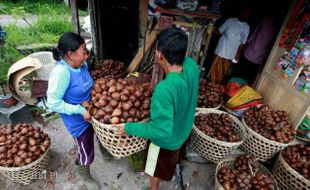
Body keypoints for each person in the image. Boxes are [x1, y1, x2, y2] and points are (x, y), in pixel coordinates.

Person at [114, 27, 199, 190]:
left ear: (159, 54)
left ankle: (154, 189)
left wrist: (128, 127)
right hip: (182, 131)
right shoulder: (192, 66)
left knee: (155, 168)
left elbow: (160, 131)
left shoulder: (165, 89)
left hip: (165, 142)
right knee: (169, 161)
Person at [47, 32, 99, 189]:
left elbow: (88, 85)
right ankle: (84, 175)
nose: (86, 54)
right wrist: (79, 109)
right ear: (70, 54)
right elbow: (53, 103)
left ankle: (107, 154)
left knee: (99, 137)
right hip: (78, 122)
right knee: (86, 147)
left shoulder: (81, 65)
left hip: (91, 113)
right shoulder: (61, 72)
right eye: (83, 50)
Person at [208, 7, 251, 83]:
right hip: (221, 51)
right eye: (243, 12)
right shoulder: (231, 21)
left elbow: (243, 43)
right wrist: (212, 25)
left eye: (247, 14)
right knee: (213, 72)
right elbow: (219, 32)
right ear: (240, 12)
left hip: (231, 54)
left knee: (221, 74)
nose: (244, 15)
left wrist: (237, 55)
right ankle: (208, 87)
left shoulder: (246, 27)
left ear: (249, 16)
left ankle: (214, 89)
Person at [231, 16, 278, 85]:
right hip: (254, 57)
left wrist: (247, 43)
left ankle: (233, 90)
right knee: (246, 79)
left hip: (252, 56)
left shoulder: (267, 22)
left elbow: (255, 33)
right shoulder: (271, 23)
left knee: (239, 75)